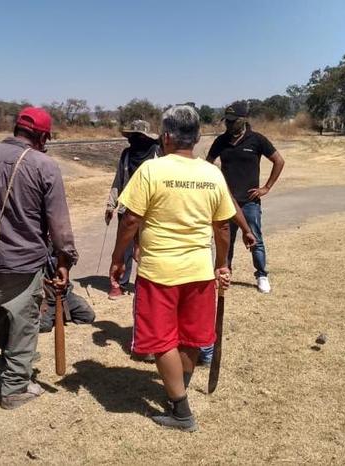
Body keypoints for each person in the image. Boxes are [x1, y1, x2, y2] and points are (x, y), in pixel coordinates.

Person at [110, 105, 238, 432]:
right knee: (192, 337)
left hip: (159, 272)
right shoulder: (212, 174)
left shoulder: (152, 171)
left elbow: (131, 219)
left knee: (161, 339)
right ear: (196, 137)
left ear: (166, 136)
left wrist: (117, 259)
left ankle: (180, 409)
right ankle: (177, 389)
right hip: (199, 271)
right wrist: (221, 264)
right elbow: (222, 227)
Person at [0, 107, 78, 409]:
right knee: (24, 326)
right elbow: (59, 224)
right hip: (23, 265)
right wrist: (64, 261)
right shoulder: (44, 165)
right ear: (41, 136)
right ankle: (14, 388)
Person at [206, 101, 285, 294]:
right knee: (225, 239)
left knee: (255, 238)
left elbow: (279, 160)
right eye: (227, 121)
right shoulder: (221, 141)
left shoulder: (256, 140)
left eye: (233, 121)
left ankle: (261, 275)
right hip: (226, 201)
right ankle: (226, 272)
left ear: (243, 120)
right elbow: (208, 164)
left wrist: (266, 187)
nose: (229, 124)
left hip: (249, 202)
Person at [104, 120, 161, 300]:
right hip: (127, 208)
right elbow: (118, 180)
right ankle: (119, 283)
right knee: (125, 247)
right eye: (131, 136)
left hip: (152, 211)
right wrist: (110, 205)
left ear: (145, 137)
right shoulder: (127, 154)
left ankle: (147, 284)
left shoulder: (158, 154)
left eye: (137, 136)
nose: (133, 140)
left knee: (149, 247)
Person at [39, 252, 95, 333]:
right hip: (45, 298)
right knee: (44, 326)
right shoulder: (36, 248)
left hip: (64, 295)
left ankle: (60, 314)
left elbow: (71, 254)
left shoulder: (61, 246)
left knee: (87, 316)